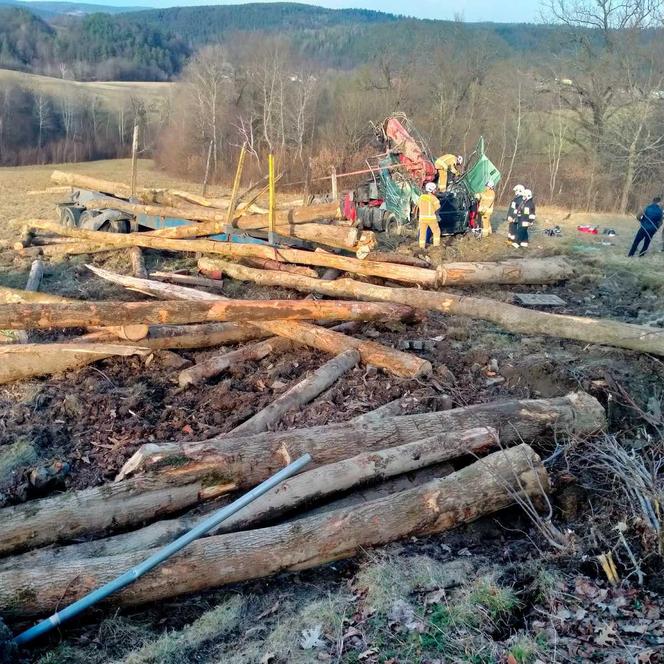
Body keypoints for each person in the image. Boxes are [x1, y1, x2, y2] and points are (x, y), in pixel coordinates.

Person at [417, 182, 441, 249]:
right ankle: (436, 246)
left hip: (422, 219)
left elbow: (418, 205)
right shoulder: (433, 198)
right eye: (435, 189)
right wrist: (437, 214)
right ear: (432, 190)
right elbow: (438, 208)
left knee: (422, 233)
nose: (435, 190)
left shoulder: (421, 197)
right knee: (436, 232)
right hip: (431, 219)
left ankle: (421, 247)